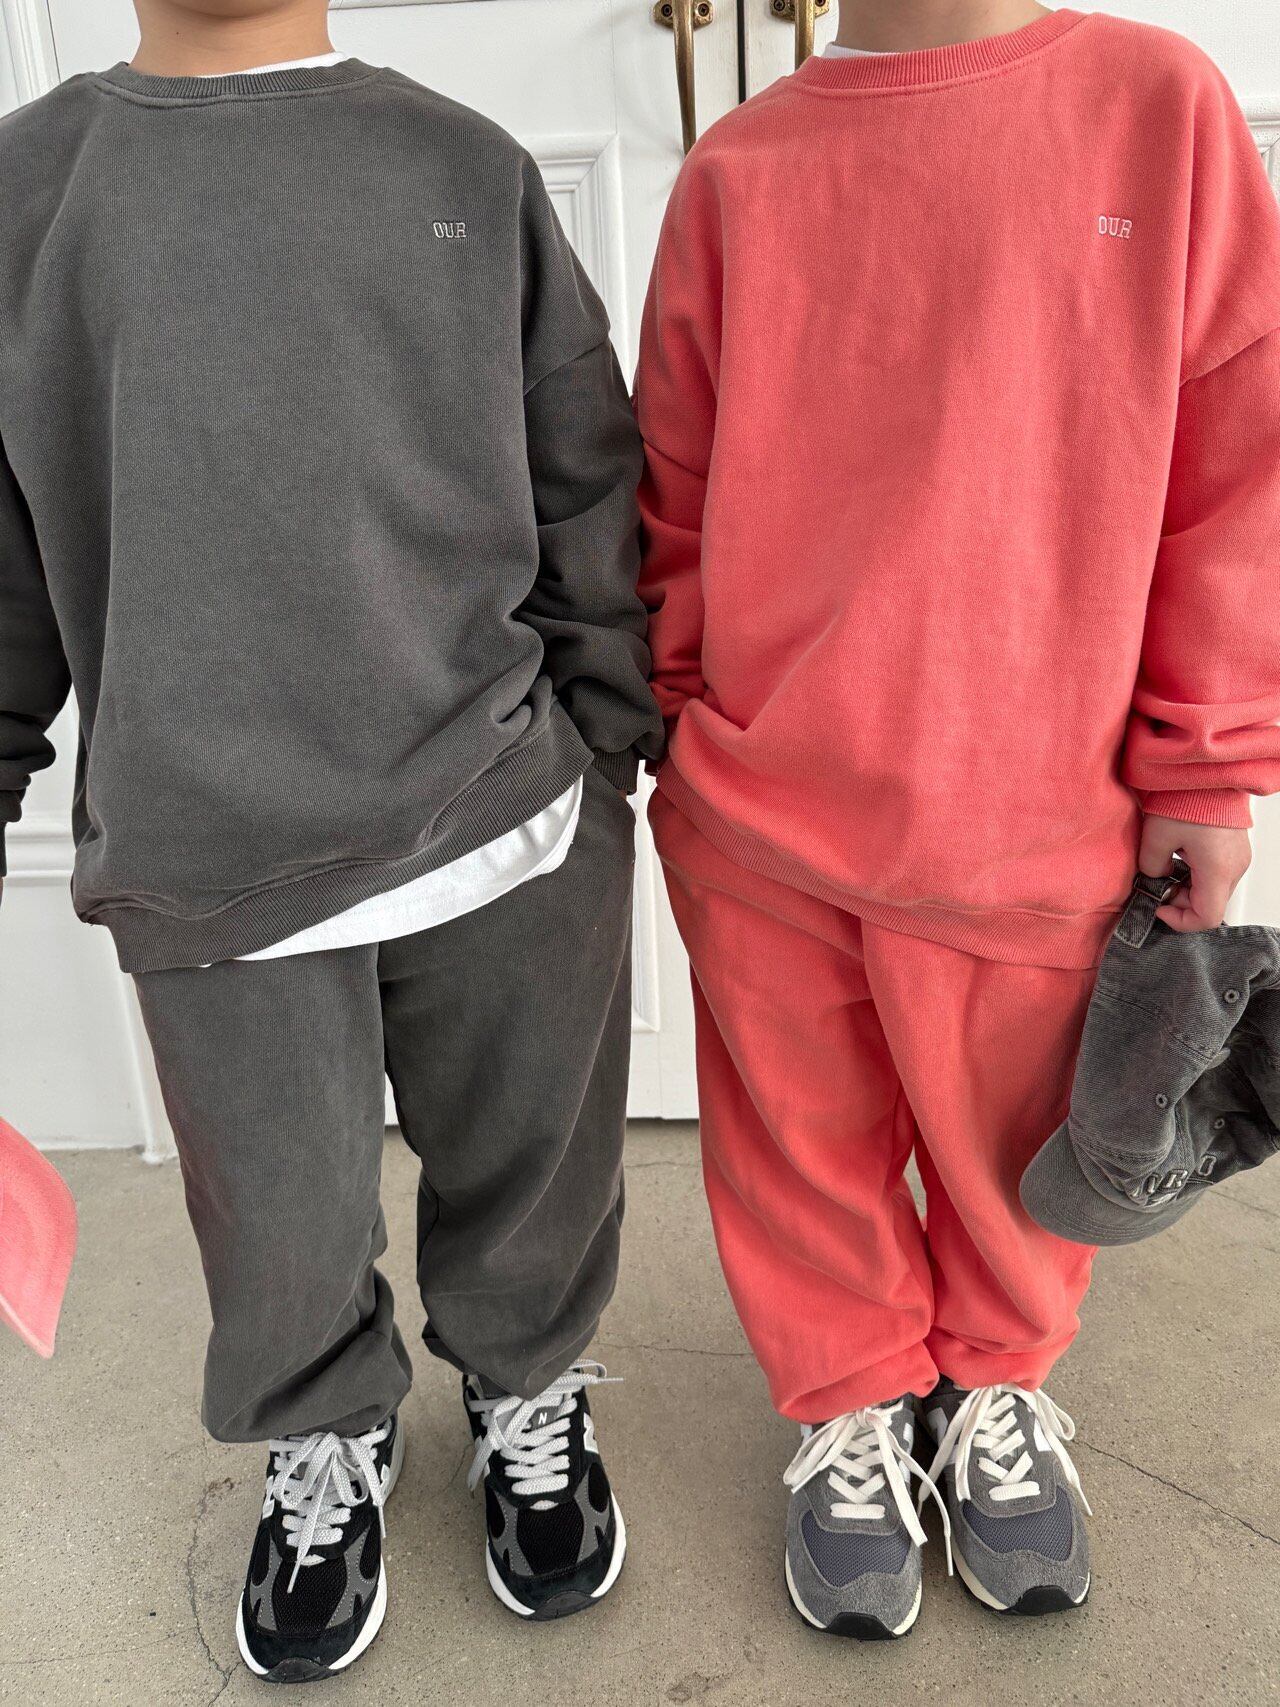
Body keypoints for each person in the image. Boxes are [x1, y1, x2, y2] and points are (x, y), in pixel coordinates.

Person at [0, 0, 662, 1680]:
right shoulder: (29, 191)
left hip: (504, 814)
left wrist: (605, 749)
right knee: (281, 1231)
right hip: (209, 854)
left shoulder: (461, 167)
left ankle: (526, 1390)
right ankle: (323, 1430)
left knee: (532, 1172)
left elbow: (584, 471)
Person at [634, 0, 1280, 1639]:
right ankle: (851, 1397)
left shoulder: (1156, 107)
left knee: (1013, 1150)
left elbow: (1238, 465)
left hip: (1041, 805)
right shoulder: (740, 170)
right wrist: (681, 711)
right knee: (798, 1144)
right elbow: (675, 484)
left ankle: (992, 1386)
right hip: (763, 802)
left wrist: (1203, 761)